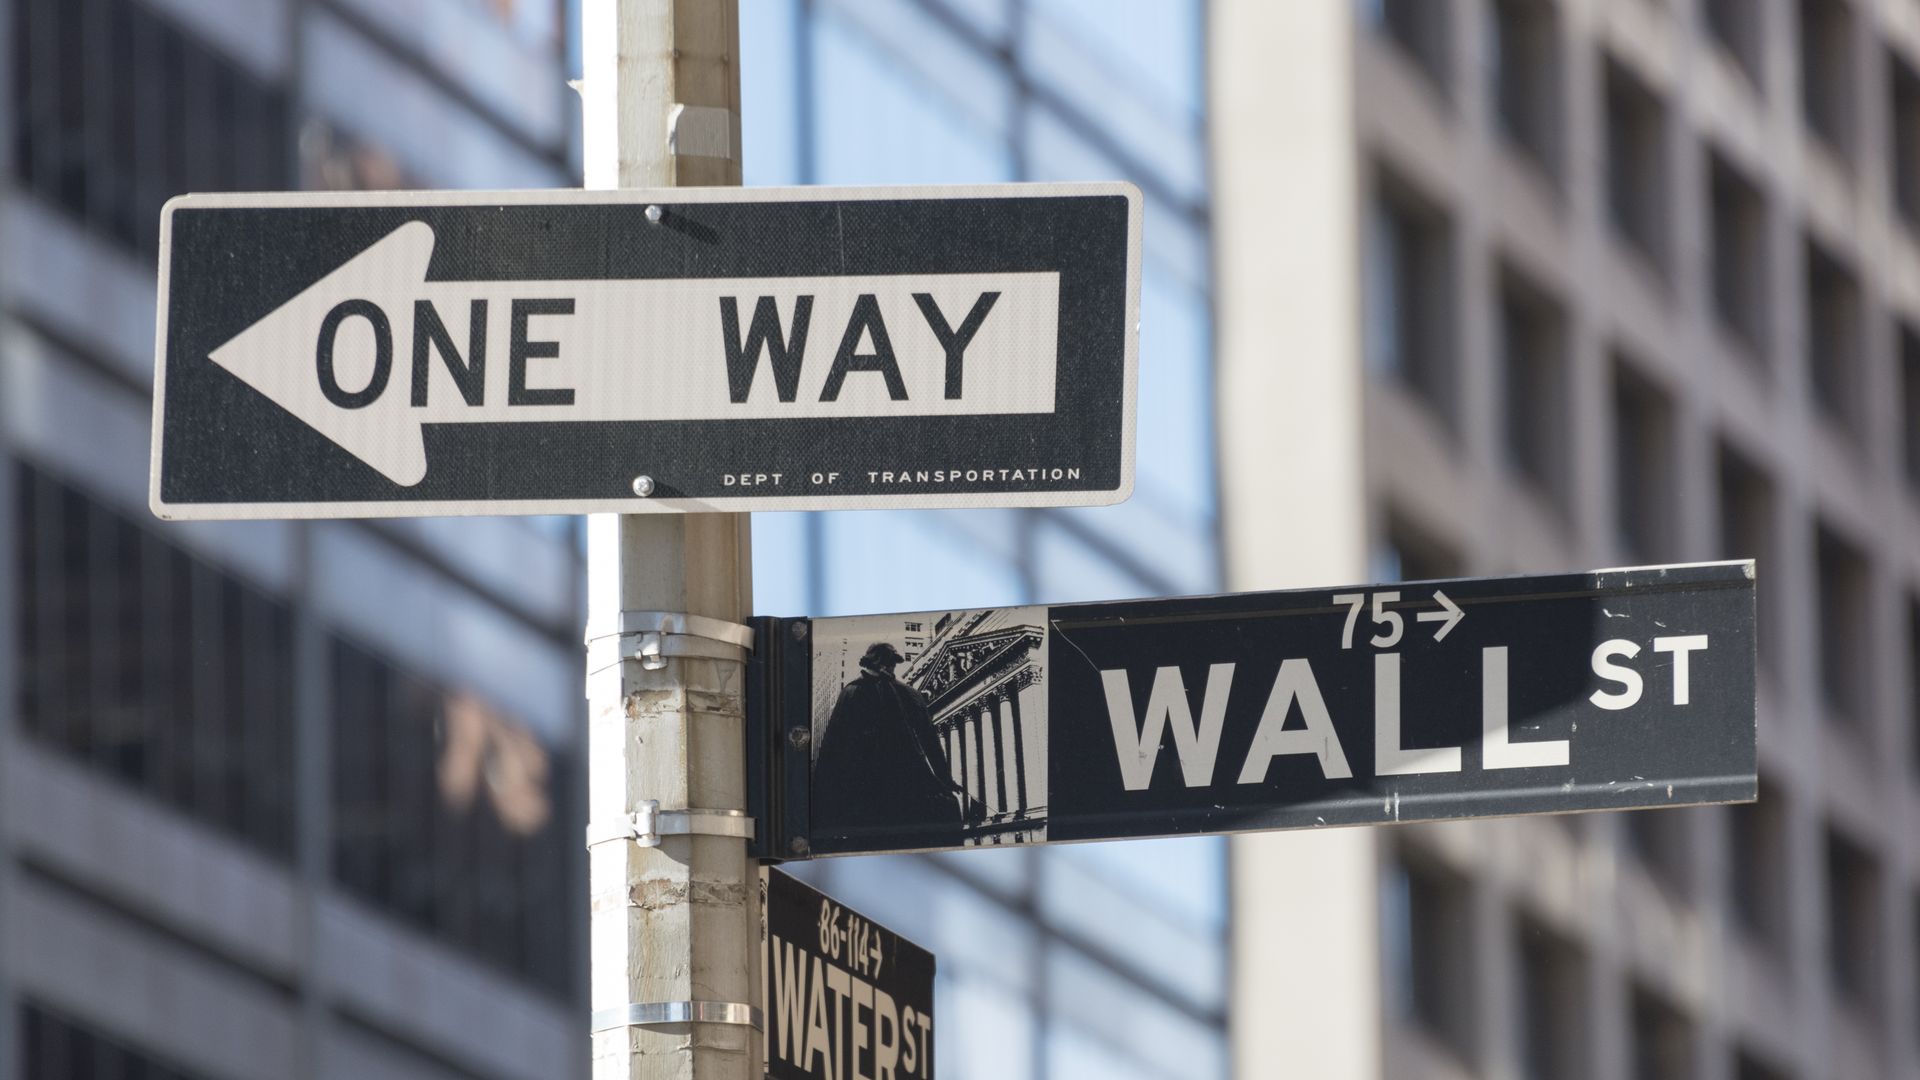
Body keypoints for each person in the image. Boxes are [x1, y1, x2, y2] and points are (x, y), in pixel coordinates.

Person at [813, 642, 979, 850]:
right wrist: (944, 778)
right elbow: (834, 745)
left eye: (891, 663)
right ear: (878, 663)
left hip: (881, 790)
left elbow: (832, 746)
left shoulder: (860, 692)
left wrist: (944, 779)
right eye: (887, 663)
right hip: (885, 788)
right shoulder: (869, 692)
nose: (889, 668)